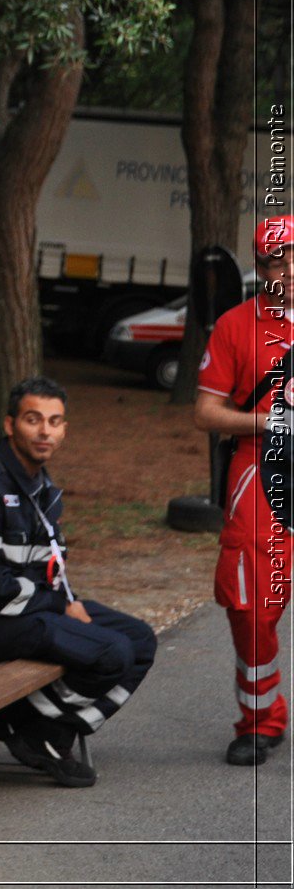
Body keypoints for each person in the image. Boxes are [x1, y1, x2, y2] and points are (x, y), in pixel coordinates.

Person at [0, 376, 156, 787]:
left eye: (55, 421)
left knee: (139, 641)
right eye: (34, 419)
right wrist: (58, 606)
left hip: (20, 612)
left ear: (64, 429)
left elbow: (47, 567)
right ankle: (27, 725)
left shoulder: (41, 487)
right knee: (111, 652)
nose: (45, 430)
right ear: (10, 425)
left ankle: (42, 729)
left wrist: (67, 600)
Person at [194, 214, 294, 766]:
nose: (288, 269)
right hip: (264, 471)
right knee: (253, 607)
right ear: (260, 267)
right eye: (276, 259)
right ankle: (260, 719)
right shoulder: (235, 325)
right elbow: (205, 412)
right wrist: (267, 424)